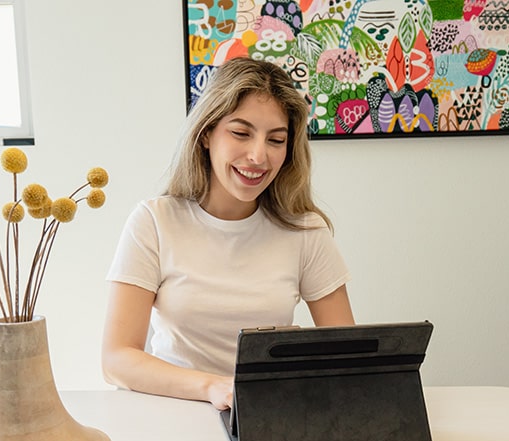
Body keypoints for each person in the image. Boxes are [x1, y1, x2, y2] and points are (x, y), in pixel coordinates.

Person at [102, 57, 355, 411]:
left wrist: (301, 356)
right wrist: (213, 387)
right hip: (171, 412)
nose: (258, 156)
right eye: (240, 133)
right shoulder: (154, 221)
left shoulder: (305, 231)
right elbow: (116, 359)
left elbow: (348, 358)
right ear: (206, 133)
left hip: (266, 415)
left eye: (276, 139)